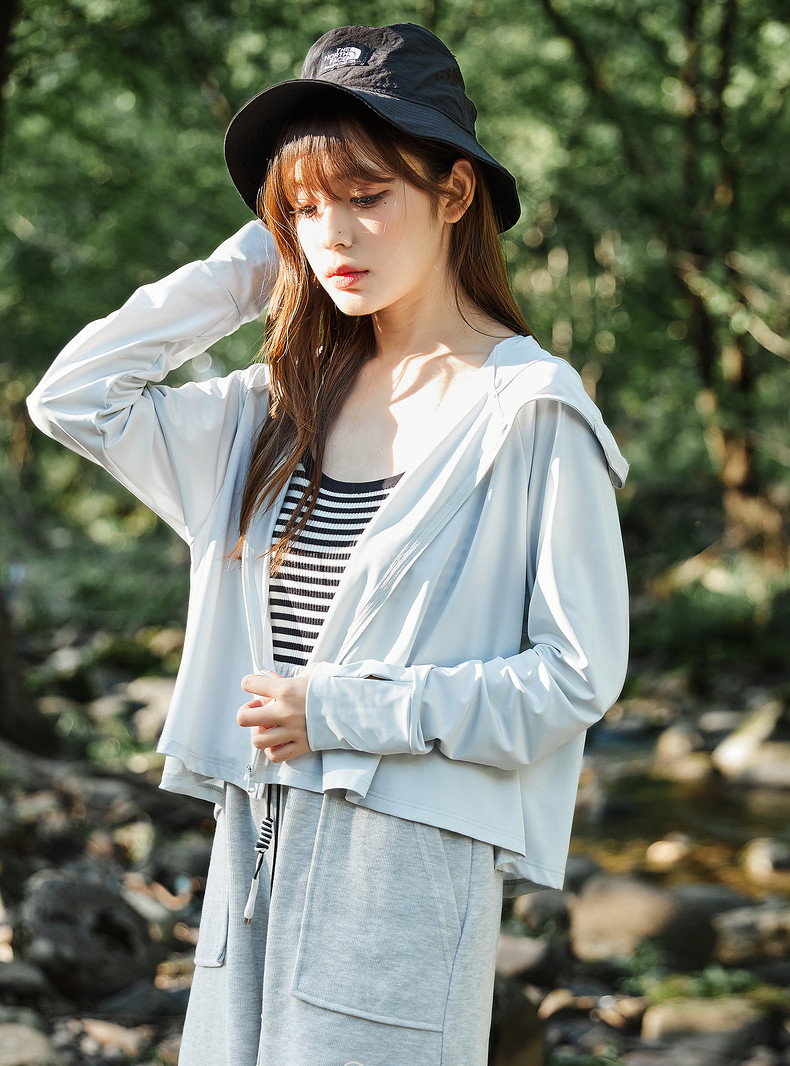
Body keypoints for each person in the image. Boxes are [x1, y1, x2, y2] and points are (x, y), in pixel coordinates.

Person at [27, 22, 629, 1066]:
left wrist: (347, 711)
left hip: (403, 877)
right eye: (305, 207)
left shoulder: (530, 410)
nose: (334, 235)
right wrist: (252, 262)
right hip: (251, 851)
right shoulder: (277, 404)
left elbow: (576, 675)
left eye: (367, 196)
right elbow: (72, 399)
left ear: (454, 193)